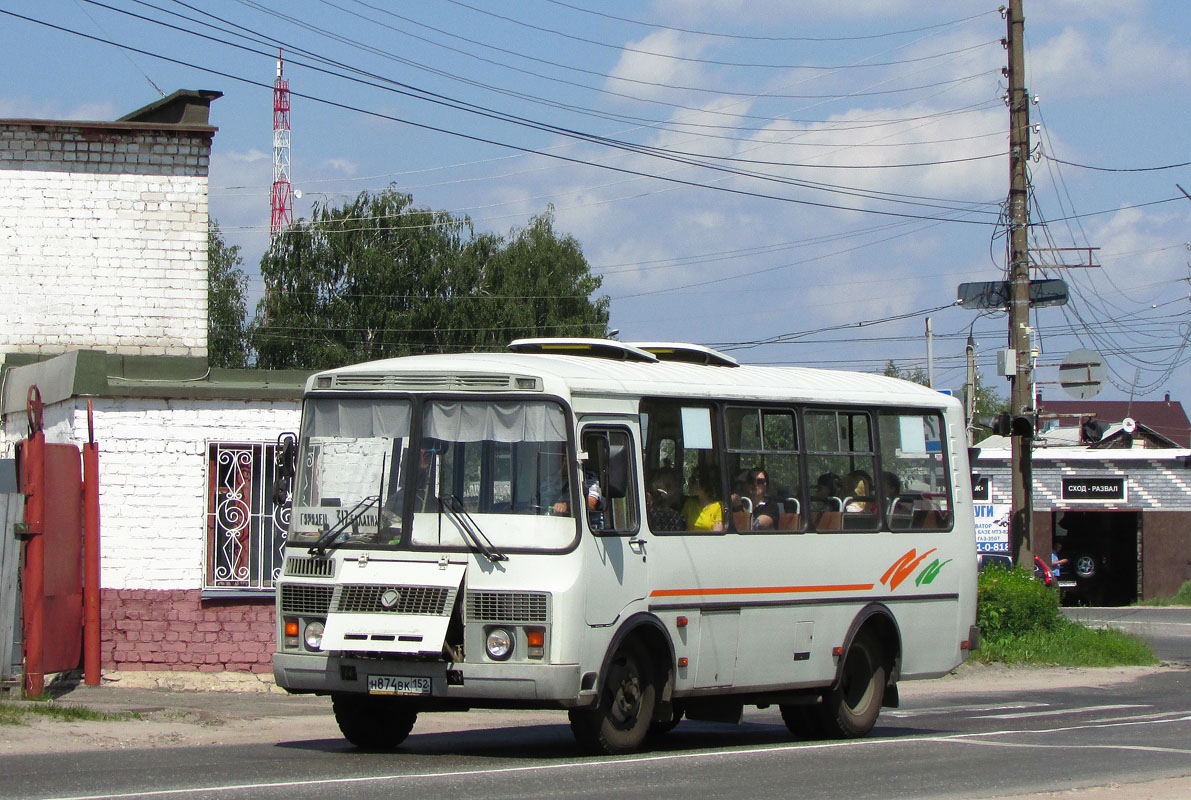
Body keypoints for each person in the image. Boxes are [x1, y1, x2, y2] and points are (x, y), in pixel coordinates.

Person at [681, 465, 723, 531]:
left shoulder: (718, 507)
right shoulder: (689, 504)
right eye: (690, 479)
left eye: (693, 480)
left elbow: (716, 535)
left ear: (705, 482)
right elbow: (681, 526)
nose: (689, 484)